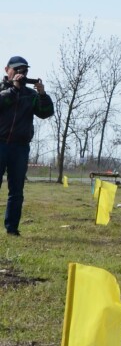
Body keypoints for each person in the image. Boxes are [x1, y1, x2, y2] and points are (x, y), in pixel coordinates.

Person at [0, 56, 55, 236]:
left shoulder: (30, 95)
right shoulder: (2, 90)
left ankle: (12, 228)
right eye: (17, 70)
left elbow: (46, 113)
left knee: (16, 190)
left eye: (24, 71)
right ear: (7, 69)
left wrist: (42, 95)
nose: (20, 74)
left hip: (20, 147)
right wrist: (14, 90)